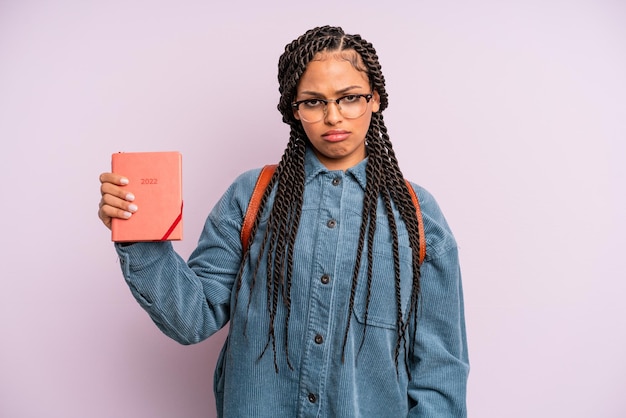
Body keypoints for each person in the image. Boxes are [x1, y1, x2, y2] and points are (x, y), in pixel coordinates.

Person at [98, 25, 469, 417]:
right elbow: (193, 318)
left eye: (350, 98)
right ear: (294, 110)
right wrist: (136, 232)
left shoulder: (416, 215)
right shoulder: (250, 196)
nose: (333, 116)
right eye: (313, 102)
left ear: (375, 99)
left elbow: (441, 371)